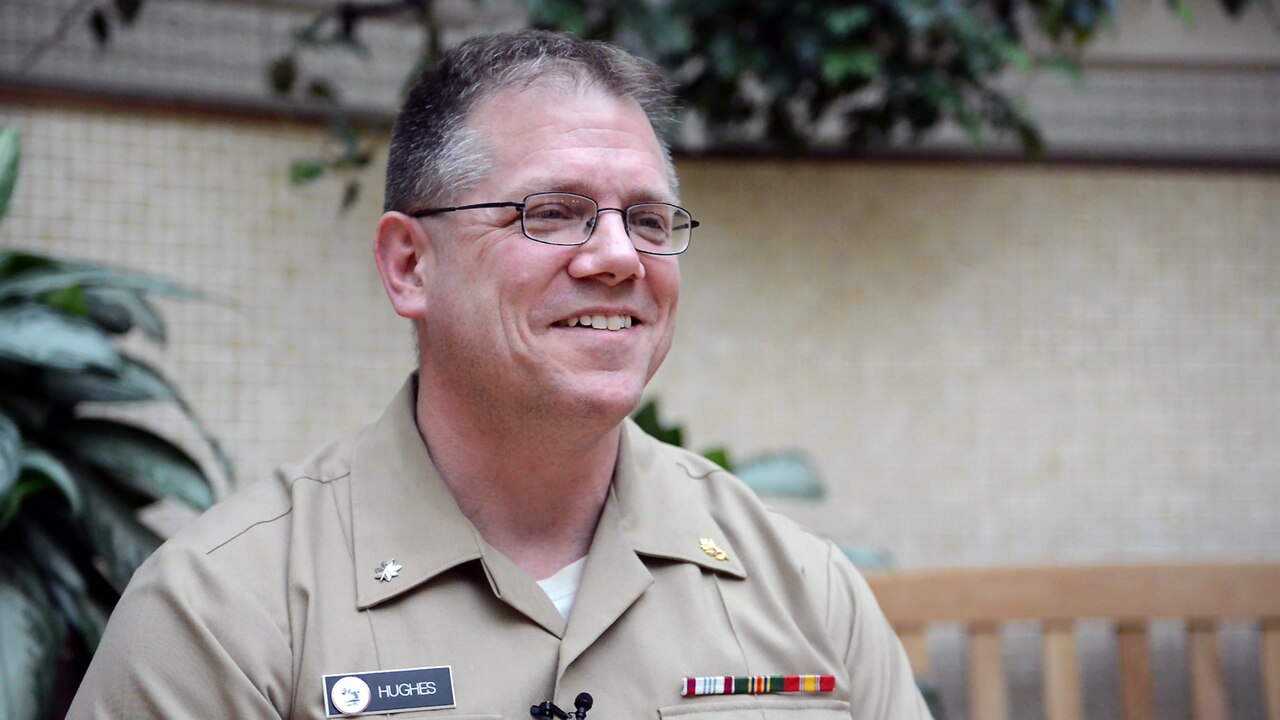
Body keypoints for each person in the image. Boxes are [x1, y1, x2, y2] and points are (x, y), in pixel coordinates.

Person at [68, 30, 931, 719]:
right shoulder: (225, 613)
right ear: (410, 266)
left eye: (649, 218)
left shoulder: (802, 591)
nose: (619, 257)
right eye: (553, 212)